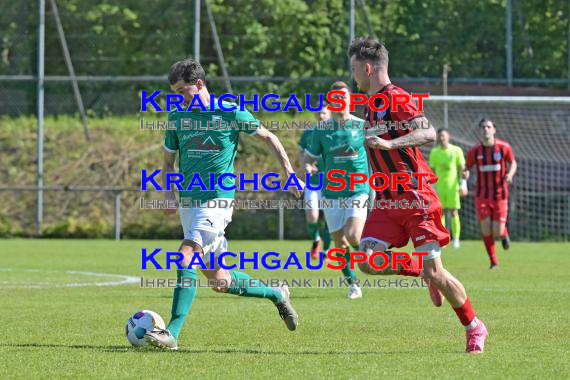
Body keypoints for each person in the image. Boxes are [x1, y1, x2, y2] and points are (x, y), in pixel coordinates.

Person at [145, 58, 302, 350]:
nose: (177, 97)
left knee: (185, 255)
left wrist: (290, 174)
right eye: (174, 92)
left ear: (200, 84)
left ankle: (172, 333)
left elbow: (269, 137)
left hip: (217, 201)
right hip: (189, 205)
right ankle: (277, 294)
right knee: (220, 281)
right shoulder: (178, 117)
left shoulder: (229, 111)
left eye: (182, 90)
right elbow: (168, 161)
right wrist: (167, 193)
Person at [348, 36, 488, 353]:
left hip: (414, 198)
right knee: (368, 260)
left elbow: (426, 130)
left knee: (437, 272)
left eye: (355, 69)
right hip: (387, 202)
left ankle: (474, 326)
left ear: (367, 68)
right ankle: (422, 271)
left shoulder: (395, 98)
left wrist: (389, 144)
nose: (353, 76)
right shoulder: (371, 105)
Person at [303, 81, 369, 300]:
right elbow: (309, 156)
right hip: (331, 192)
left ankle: (370, 253)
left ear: (350, 100)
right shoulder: (321, 130)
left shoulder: (362, 126)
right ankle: (354, 285)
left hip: (358, 189)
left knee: (352, 235)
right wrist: (307, 165)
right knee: (339, 243)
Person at [464, 118, 517, 269]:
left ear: (494, 129)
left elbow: (513, 162)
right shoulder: (474, 151)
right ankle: (494, 262)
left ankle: (504, 233)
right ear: (480, 131)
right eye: (483, 127)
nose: (485, 129)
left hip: (500, 195)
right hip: (482, 195)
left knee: (497, 232)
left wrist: (510, 175)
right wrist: (465, 174)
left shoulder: (504, 147)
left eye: (488, 127)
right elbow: (467, 167)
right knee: (486, 229)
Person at [299, 104, 332, 259]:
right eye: (318, 113)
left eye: (324, 113)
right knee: (312, 216)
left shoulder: (335, 132)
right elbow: (301, 155)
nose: (321, 115)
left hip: (331, 184)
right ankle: (316, 239)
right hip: (313, 183)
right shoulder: (308, 134)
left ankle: (326, 251)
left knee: (329, 218)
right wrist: (305, 166)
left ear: (330, 115)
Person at [428, 128, 467, 248]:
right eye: (440, 136)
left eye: (443, 135)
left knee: (454, 212)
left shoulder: (456, 150)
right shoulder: (434, 152)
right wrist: (432, 186)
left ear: (448, 136)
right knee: (441, 213)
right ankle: (444, 239)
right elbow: (432, 170)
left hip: (453, 187)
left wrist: (463, 184)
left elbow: (462, 169)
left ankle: (456, 239)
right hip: (439, 187)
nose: (441, 138)